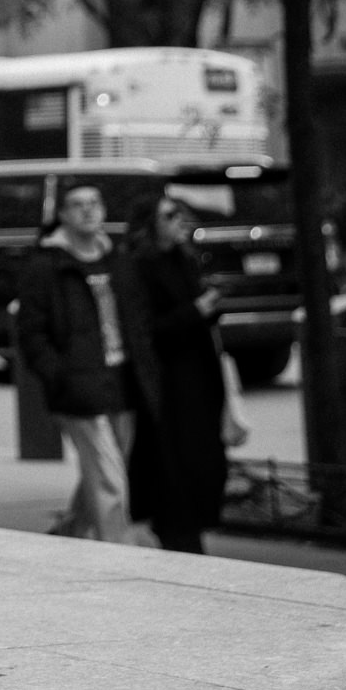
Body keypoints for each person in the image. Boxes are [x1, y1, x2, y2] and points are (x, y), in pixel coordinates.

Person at [15, 180, 159, 544]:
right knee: (109, 477)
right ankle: (119, 554)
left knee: (106, 471)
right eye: (78, 204)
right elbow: (31, 332)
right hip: (78, 389)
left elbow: (139, 322)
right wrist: (59, 376)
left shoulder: (118, 261)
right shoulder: (46, 265)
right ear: (62, 214)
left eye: (95, 202)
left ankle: (72, 535)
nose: (89, 210)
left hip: (123, 381)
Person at [124, 191, 229, 554]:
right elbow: (146, 328)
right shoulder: (141, 266)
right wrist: (196, 310)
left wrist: (210, 308)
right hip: (168, 378)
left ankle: (192, 527)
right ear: (151, 226)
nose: (180, 221)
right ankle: (177, 532)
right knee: (174, 458)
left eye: (180, 214)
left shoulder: (185, 260)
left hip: (198, 371)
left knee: (202, 455)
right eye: (170, 216)